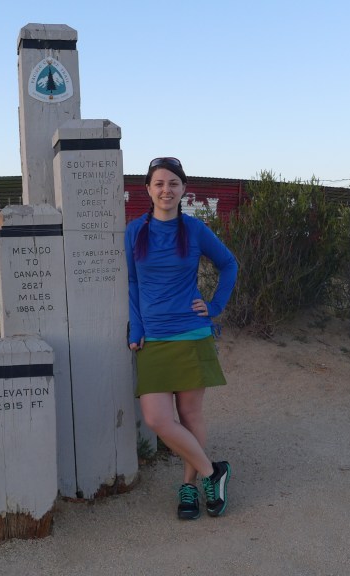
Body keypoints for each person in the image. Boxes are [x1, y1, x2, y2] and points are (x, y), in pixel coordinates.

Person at [125, 157, 239, 520]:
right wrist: (137, 326)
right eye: (159, 183)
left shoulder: (194, 229)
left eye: (173, 183)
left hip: (191, 332)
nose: (166, 190)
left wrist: (214, 305)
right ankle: (212, 472)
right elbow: (132, 282)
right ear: (148, 189)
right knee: (158, 418)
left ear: (183, 189)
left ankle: (189, 487)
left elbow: (229, 264)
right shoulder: (135, 231)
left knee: (190, 415)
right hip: (154, 337)